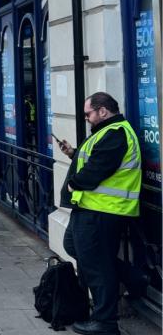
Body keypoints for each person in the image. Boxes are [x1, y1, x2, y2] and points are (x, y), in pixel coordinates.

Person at [56, 92, 141, 335]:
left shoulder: (117, 132)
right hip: (89, 208)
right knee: (75, 247)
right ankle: (134, 278)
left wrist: (74, 183)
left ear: (103, 111)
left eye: (88, 114)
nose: (87, 118)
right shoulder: (107, 132)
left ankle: (105, 322)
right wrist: (73, 153)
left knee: (96, 265)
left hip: (103, 210)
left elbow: (98, 168)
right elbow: (95, 158)